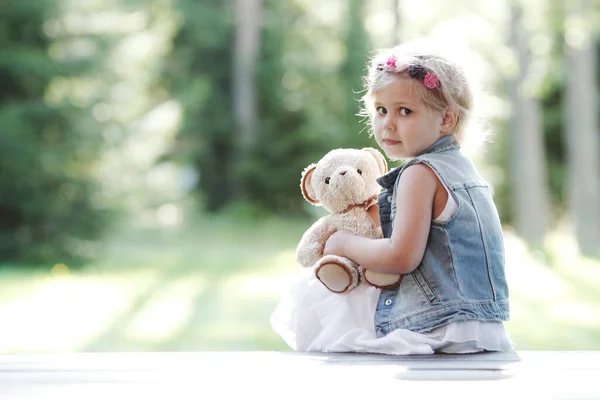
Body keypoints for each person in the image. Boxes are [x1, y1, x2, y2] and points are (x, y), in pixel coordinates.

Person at [270, 38, 513, 354]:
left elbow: (401, 257)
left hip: (439, 323)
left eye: (405, 111)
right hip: (481, 323)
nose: (388, 124)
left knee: (320, 293)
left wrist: (345, 242)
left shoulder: (419, 173)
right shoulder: (464, 171)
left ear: (446, 119)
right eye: (381, 110)